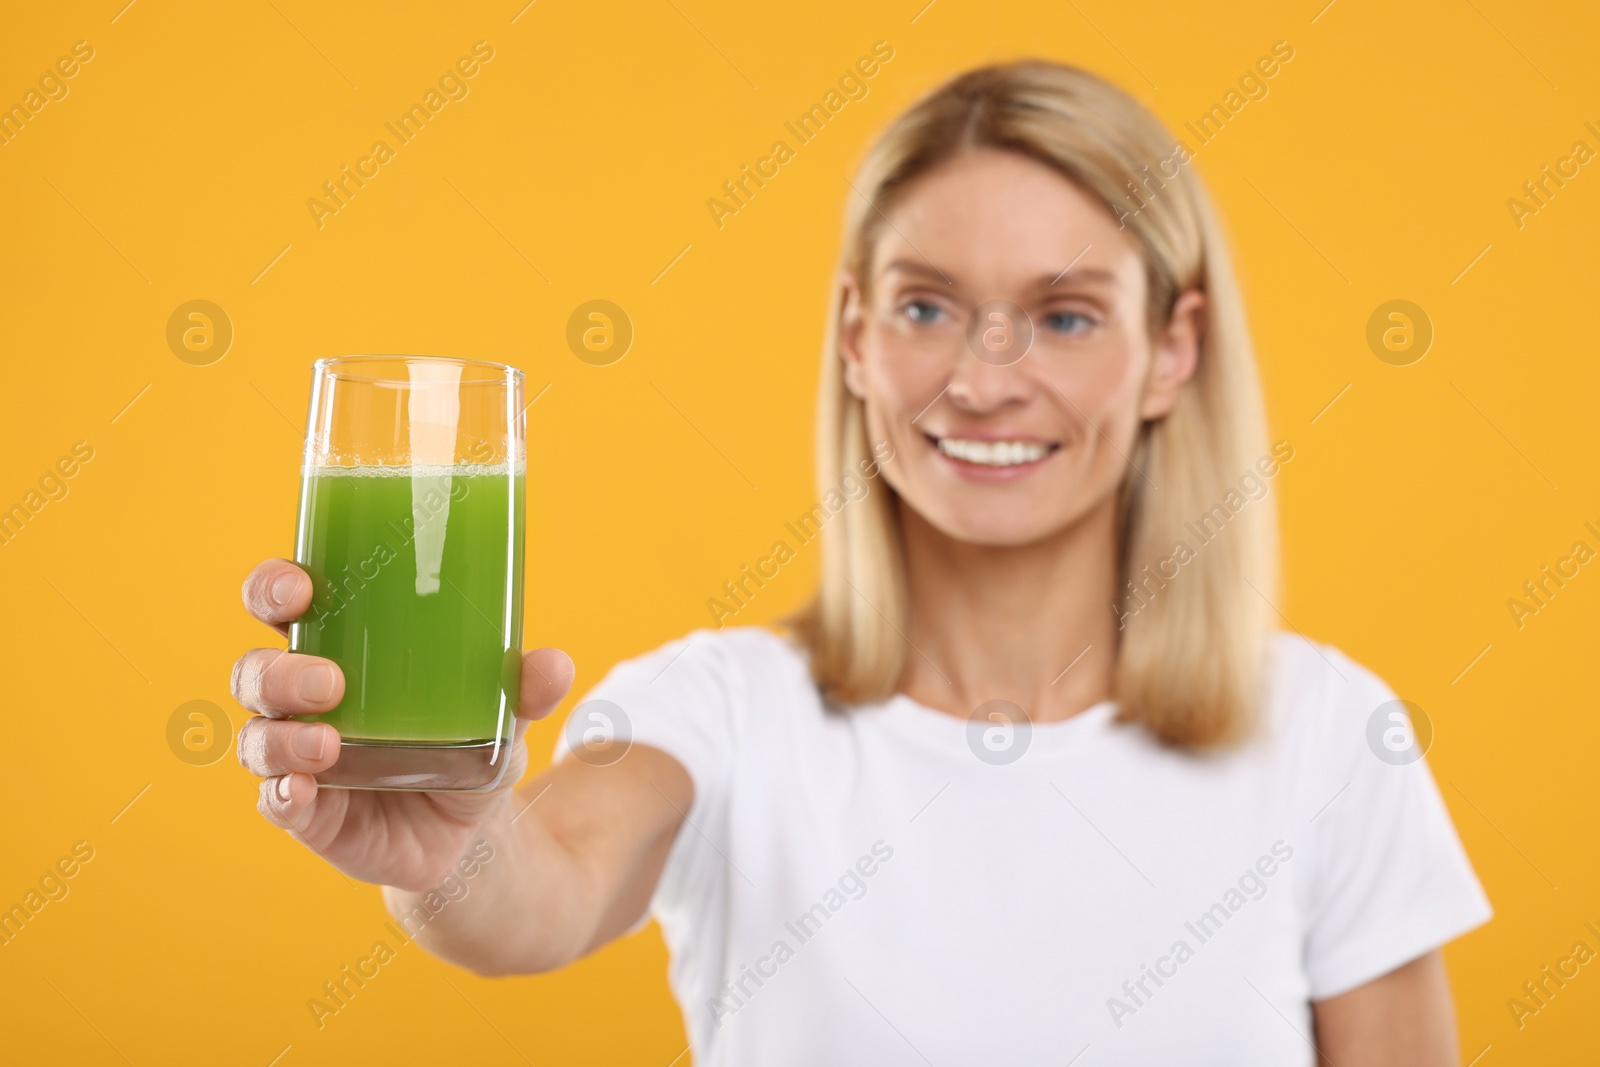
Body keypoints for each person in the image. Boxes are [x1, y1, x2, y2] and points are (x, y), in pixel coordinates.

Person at [231, 61, 1491, 1065]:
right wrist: (454, 843)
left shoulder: (1332, 739)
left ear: (1172, 348)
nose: (985, 379)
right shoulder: (714, 710)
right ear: (853, 332)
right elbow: (537, 894)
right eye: (927, 304)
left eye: (1063, 314)